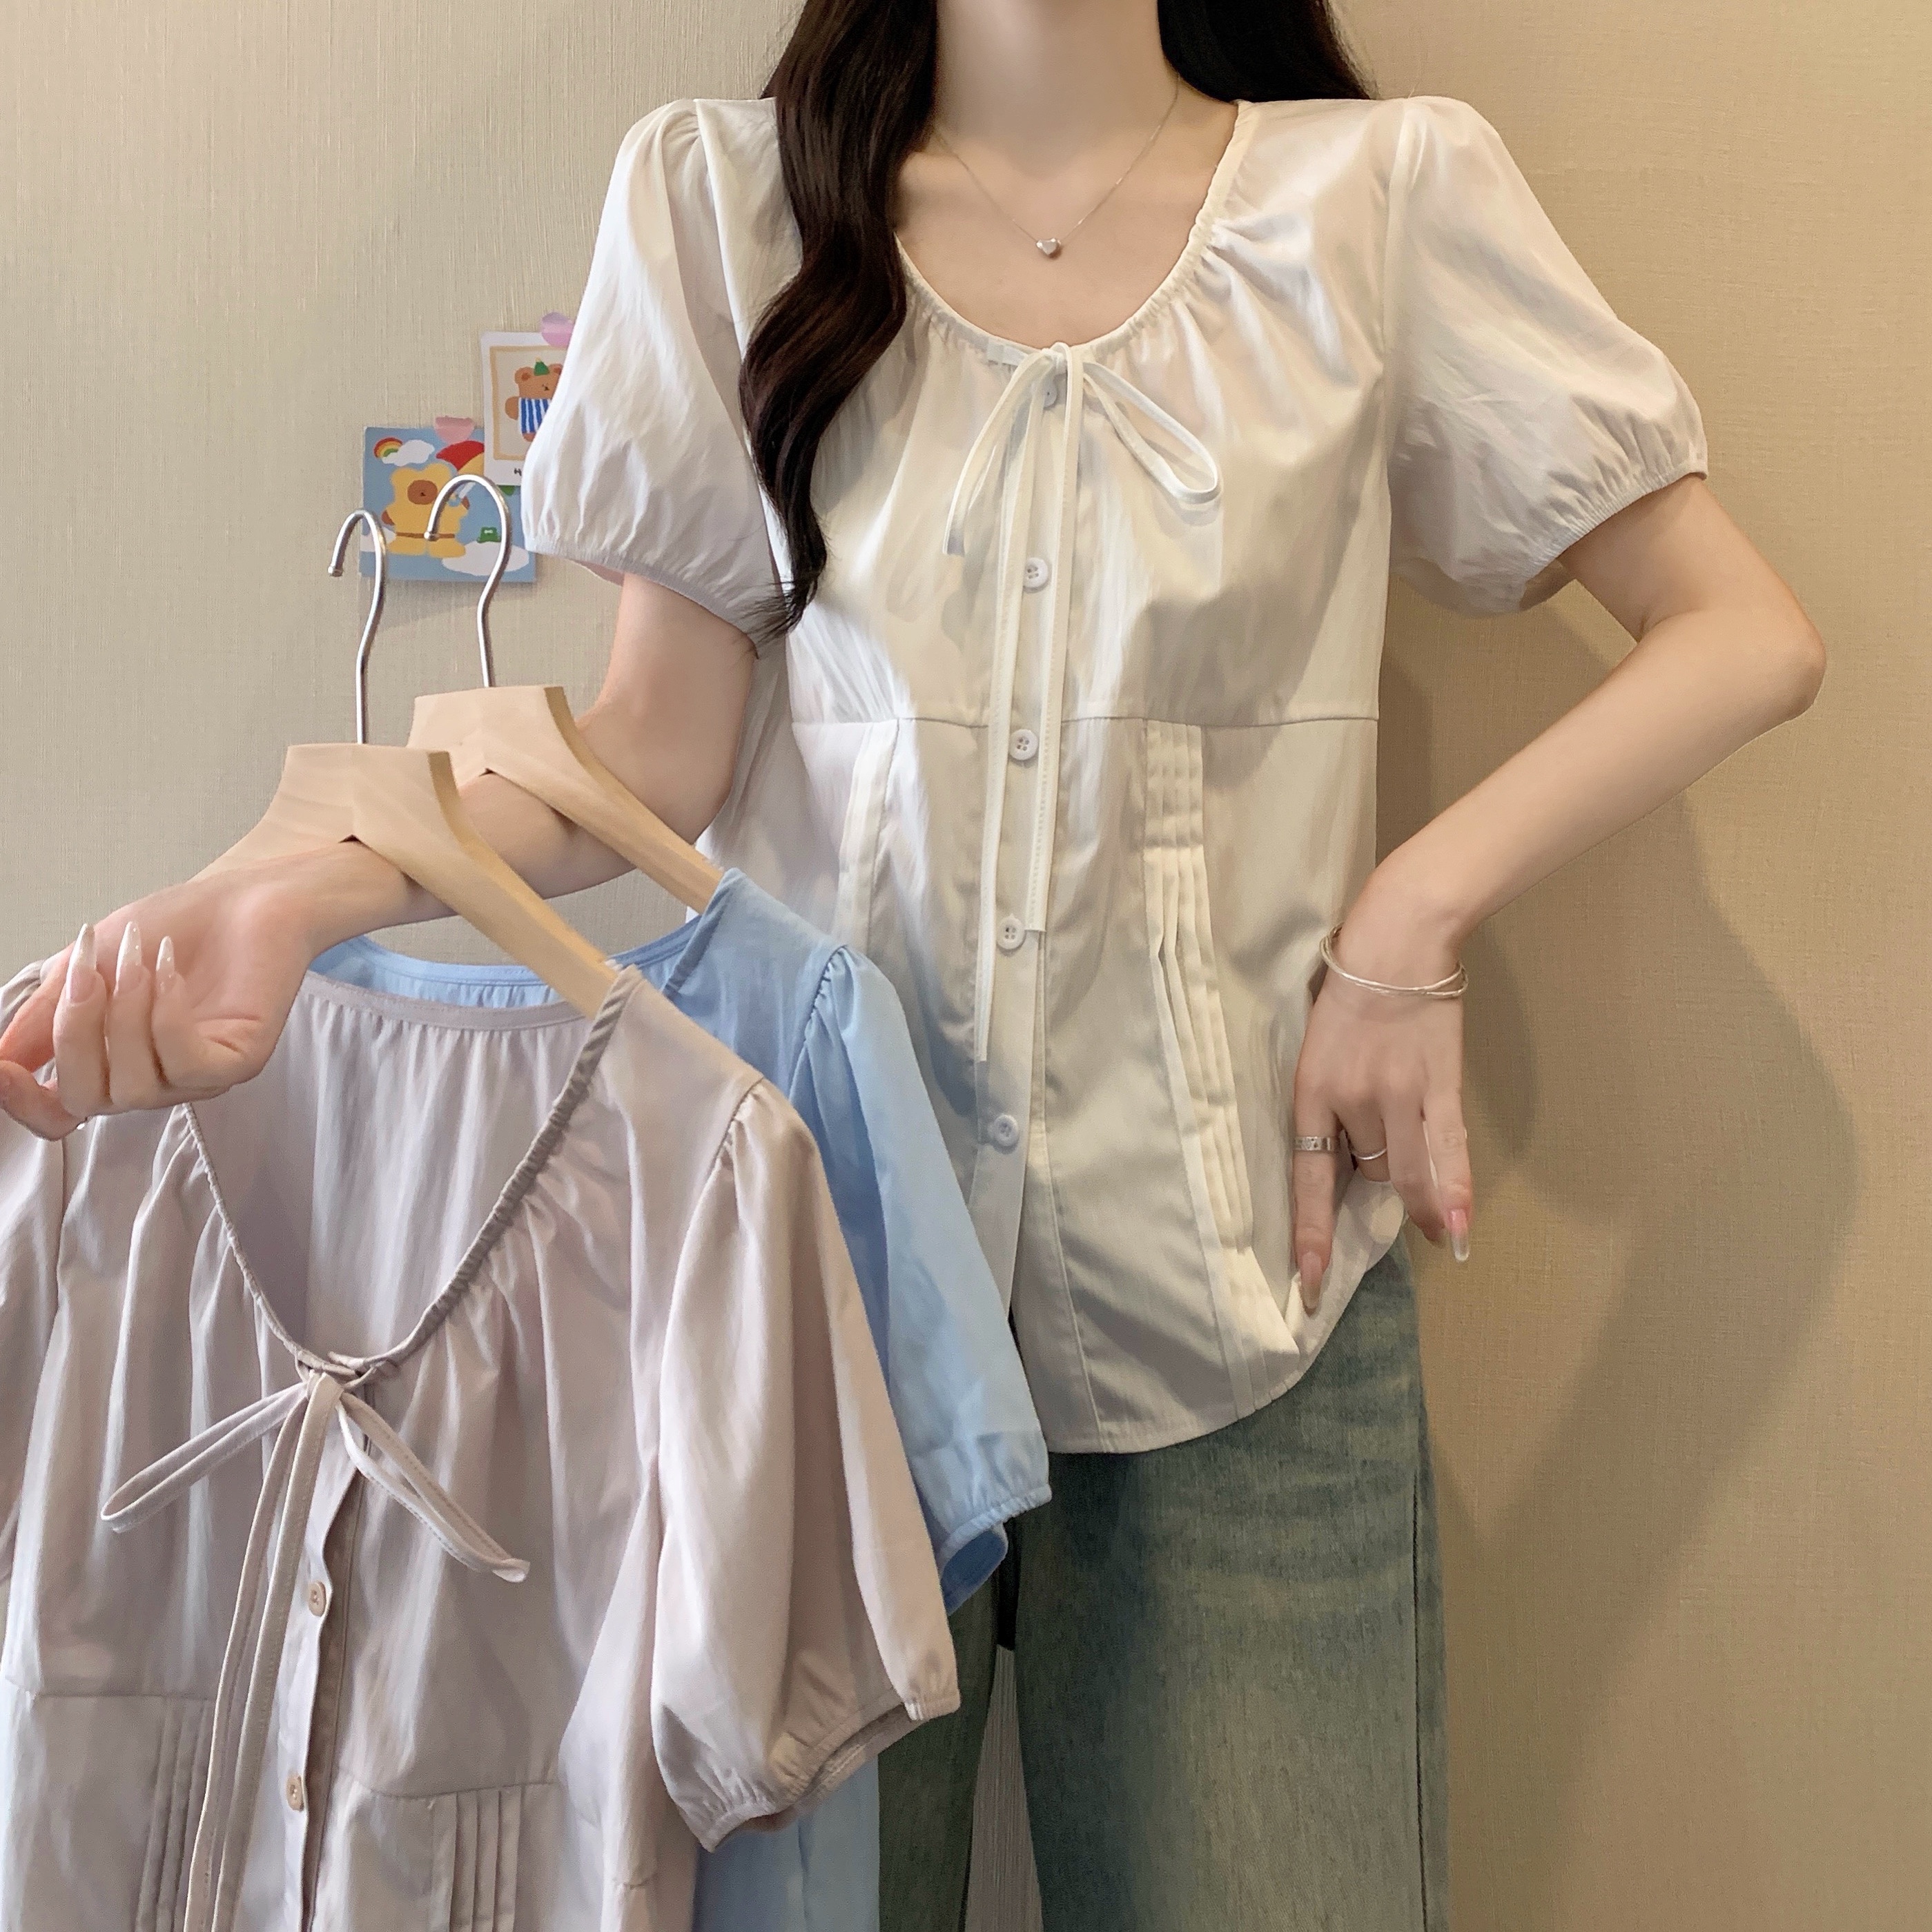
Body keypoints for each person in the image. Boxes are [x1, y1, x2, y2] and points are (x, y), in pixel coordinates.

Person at [0, 0, 1824, 1926]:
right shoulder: (729, 208)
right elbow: (648, 756)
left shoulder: (1377, 201)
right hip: (807, 1333)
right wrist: (294, 896)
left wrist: (1409, 920)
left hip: (1250, 1318)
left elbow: (1741, 632)